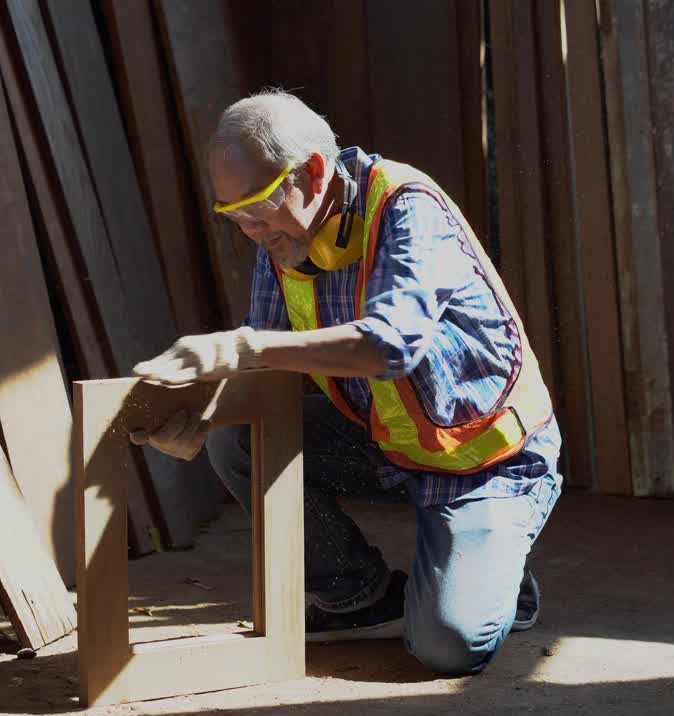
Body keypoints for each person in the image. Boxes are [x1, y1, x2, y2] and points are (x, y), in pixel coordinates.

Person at [130, 90, 562, 675]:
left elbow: (390, 345)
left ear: (312, 171)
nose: (249, 229)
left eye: (255, 207)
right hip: (386, 436)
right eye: (231, 214)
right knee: (239, 440)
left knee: (448, 645)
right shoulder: (281, 236)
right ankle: (360, 593)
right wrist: (203, 414)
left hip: (484, 456)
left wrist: (241, 346)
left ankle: (503, 567)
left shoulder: (408, 207)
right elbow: (264, 361)